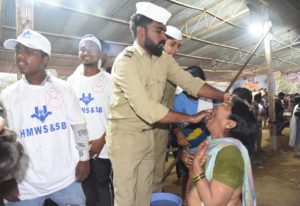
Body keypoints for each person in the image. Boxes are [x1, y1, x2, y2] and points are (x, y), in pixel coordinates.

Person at [106, 2, 227, 205]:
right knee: (127, 198)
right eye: (159, 30)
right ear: (140, 30)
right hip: (125, 137)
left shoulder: (163, 59)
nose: (164, 36)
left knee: (146, 194)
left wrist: (224, 96)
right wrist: (189, 118)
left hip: (150, 136)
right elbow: (147, 108)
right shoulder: (126, 61)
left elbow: (189, 82)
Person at [0, 29, 90, 206]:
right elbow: (4, 141)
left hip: (66, 179)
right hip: (25, 187)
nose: (20, 56)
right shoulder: (8, 96)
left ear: (45, 59)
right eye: (18, 50)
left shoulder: (64, 90)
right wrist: (5, 180)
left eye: (29, 51)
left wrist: (84, 159)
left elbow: (79, 125)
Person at [67, 34, 114, 206]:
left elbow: (116, 116)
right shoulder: (71, 82)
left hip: (103, 148)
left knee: (103, 187)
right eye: (82, 48)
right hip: (79, 150)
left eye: (91, 48)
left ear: (100, 54)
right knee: (86, 191)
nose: (86, 51)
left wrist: (102, 140)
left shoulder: (110, 81)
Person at [187, 96, 257, 206]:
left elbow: (213, 203)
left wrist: (196, 164)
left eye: (225, 104)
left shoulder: (230, 153)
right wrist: (193, 165)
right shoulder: (211, 142)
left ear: (229, 123)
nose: (217, 105)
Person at [171, 66, 212, 202]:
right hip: (189, 150)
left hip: (210, 150)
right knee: (188, 183)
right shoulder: (179, 100)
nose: (187, 90)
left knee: (209, 185)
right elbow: (174, 122)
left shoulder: (212, 97)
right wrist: (177, 133)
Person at [152, 25, 183, 193]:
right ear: (161, 42)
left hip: (162, 128)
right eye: (172, 44)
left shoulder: (172, 69)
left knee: (157, 172)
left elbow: (169, 103)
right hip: (144, 127)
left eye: (178, 46)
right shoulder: (148, 64)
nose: (175, 50)